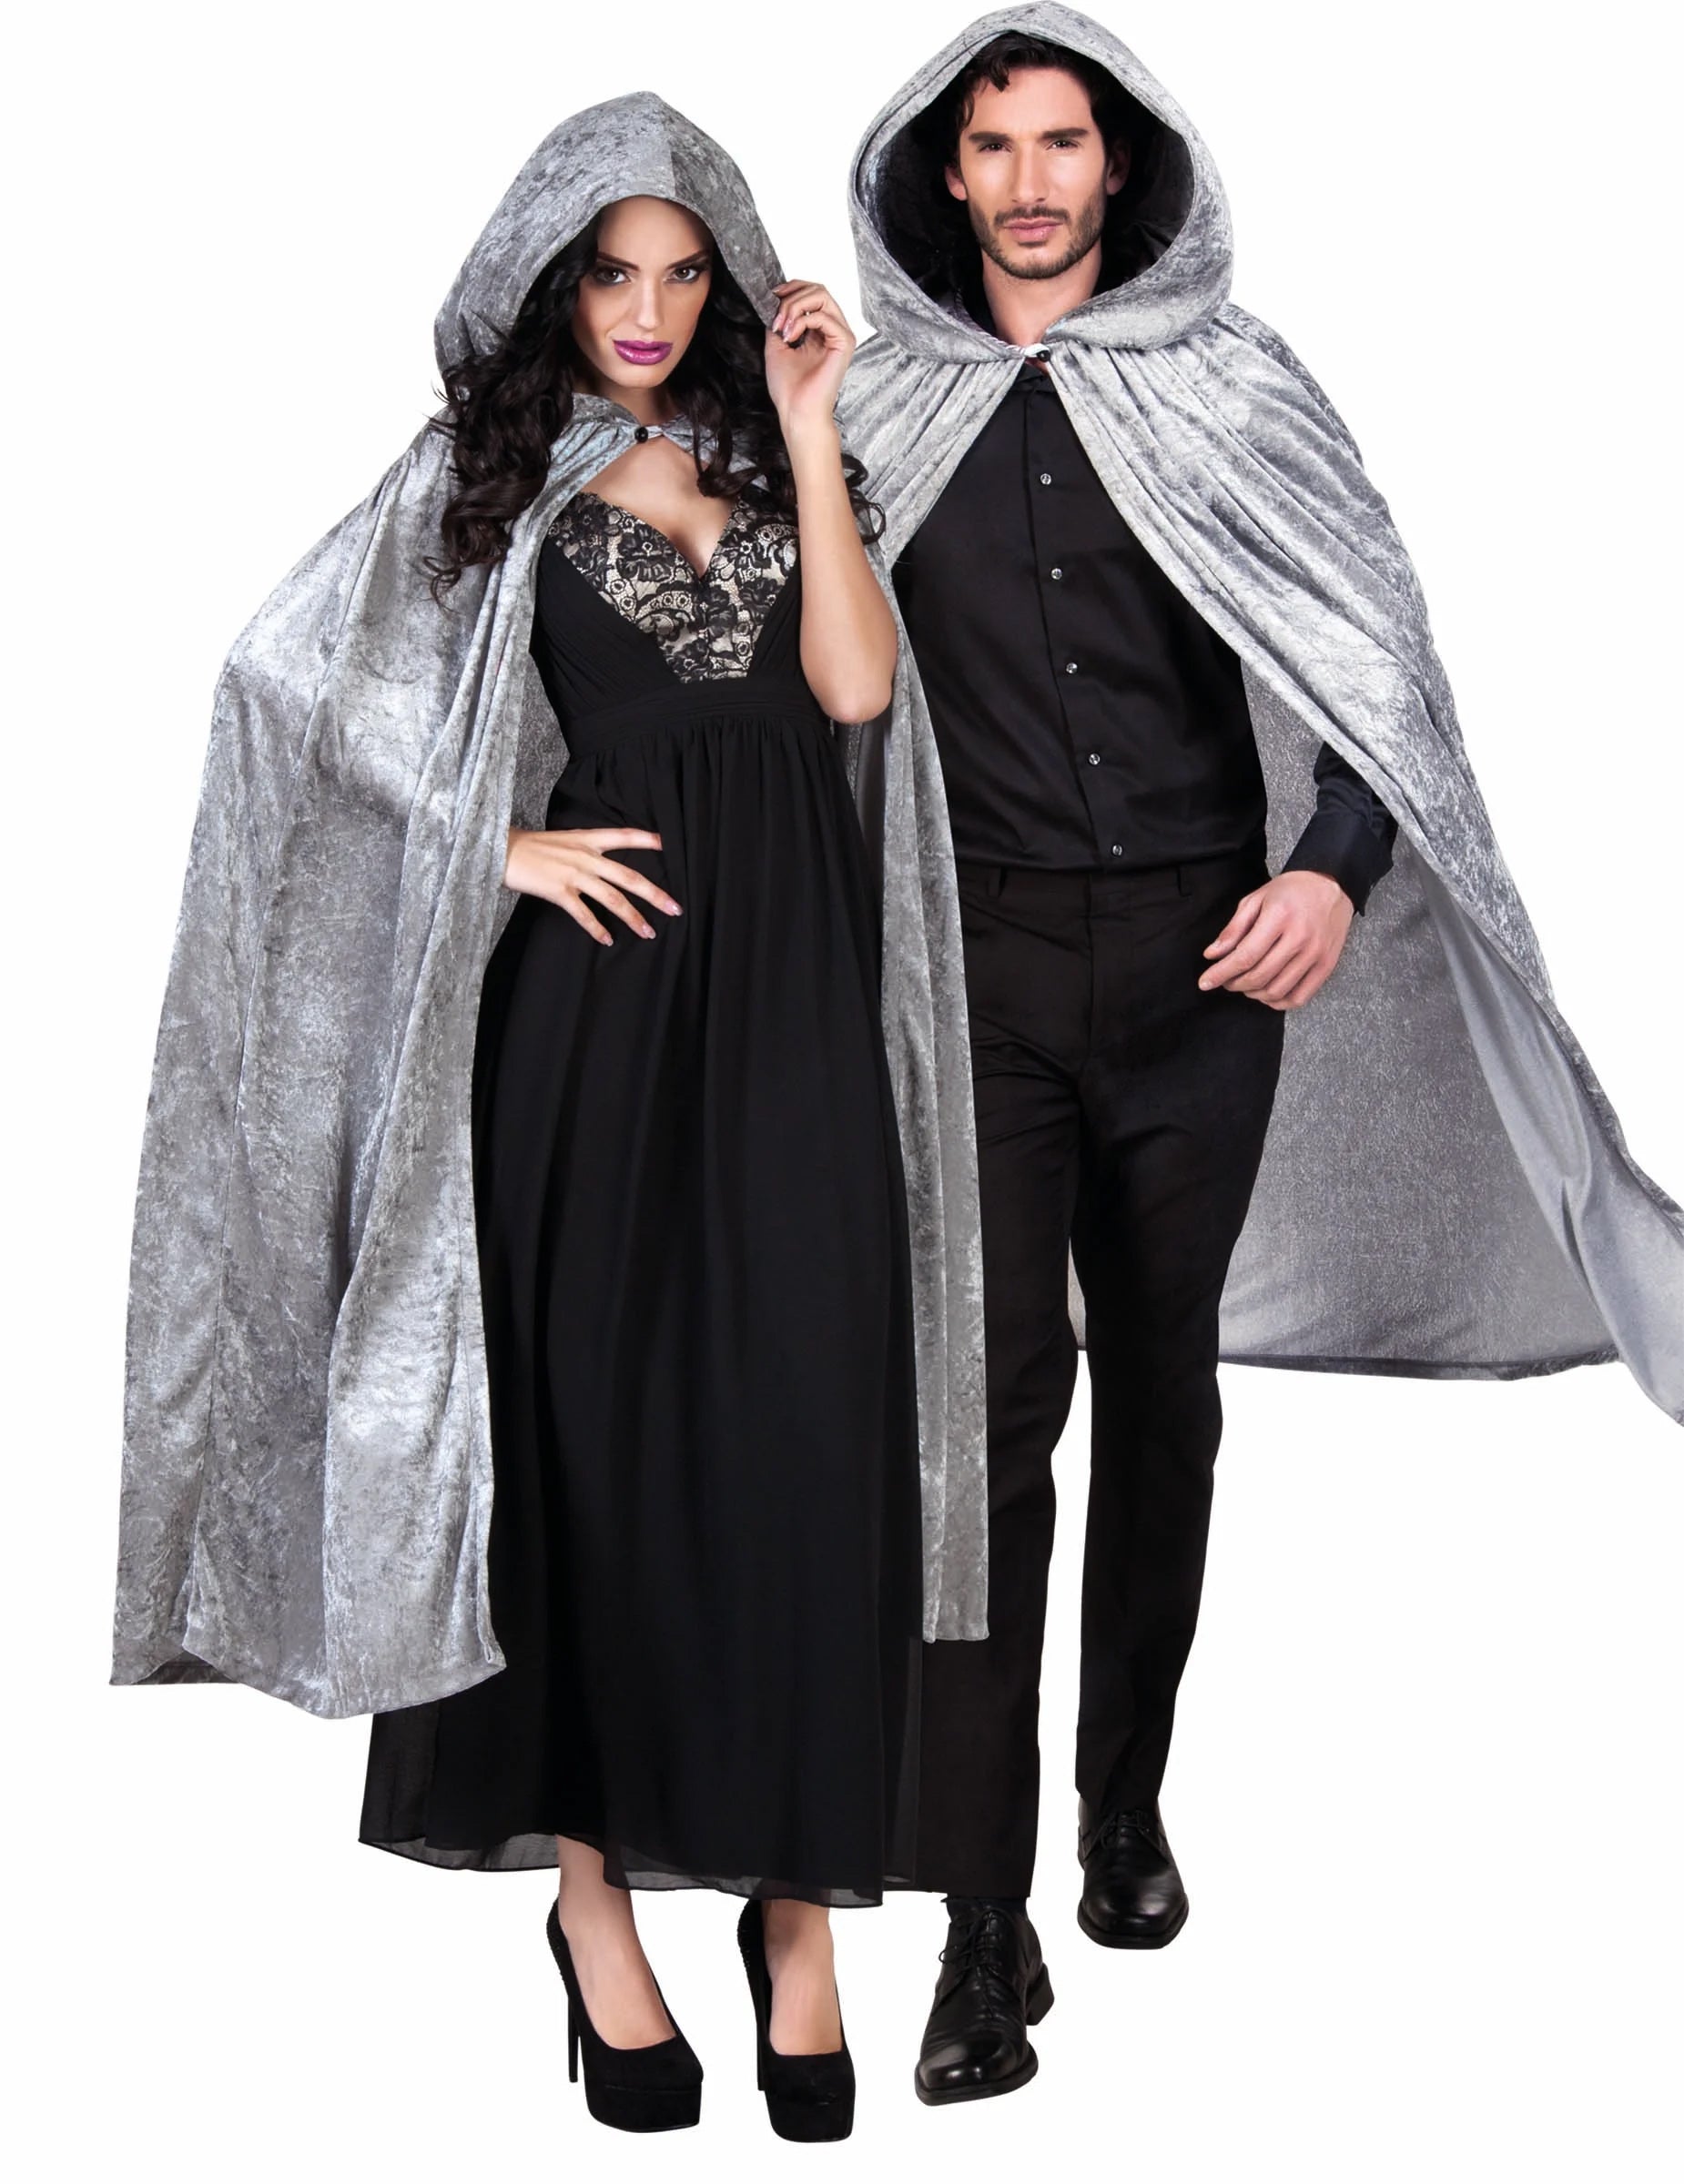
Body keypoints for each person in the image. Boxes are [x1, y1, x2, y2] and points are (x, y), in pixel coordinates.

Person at [111, 95, 991, 2144]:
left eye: (682, 274)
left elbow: (855, 694)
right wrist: (489, 843)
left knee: (803, 1444)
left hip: (796, 1015)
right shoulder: (480, 476)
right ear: (551, 282)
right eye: (612, 274)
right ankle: (592, 1906)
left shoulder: (783, 455)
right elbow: (284, 688)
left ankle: (794, 1911)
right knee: (592, 1457)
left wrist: (811, 434)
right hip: (590, 1032)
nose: (648, 310)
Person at [836, 4, 1684, 2106]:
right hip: (976, 975)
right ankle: (978, 1921)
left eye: (1061, 142)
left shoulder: (1236, 383)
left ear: (1118, 164)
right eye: (991, 147)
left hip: (1203, 977)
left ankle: (1121, 1806)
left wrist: (1329, 870)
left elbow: (1380, 665)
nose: (1028, 183)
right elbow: (766, 661)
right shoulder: (870, 410)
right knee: (980, 1432)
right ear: (943, 173)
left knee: (1162, 1395)